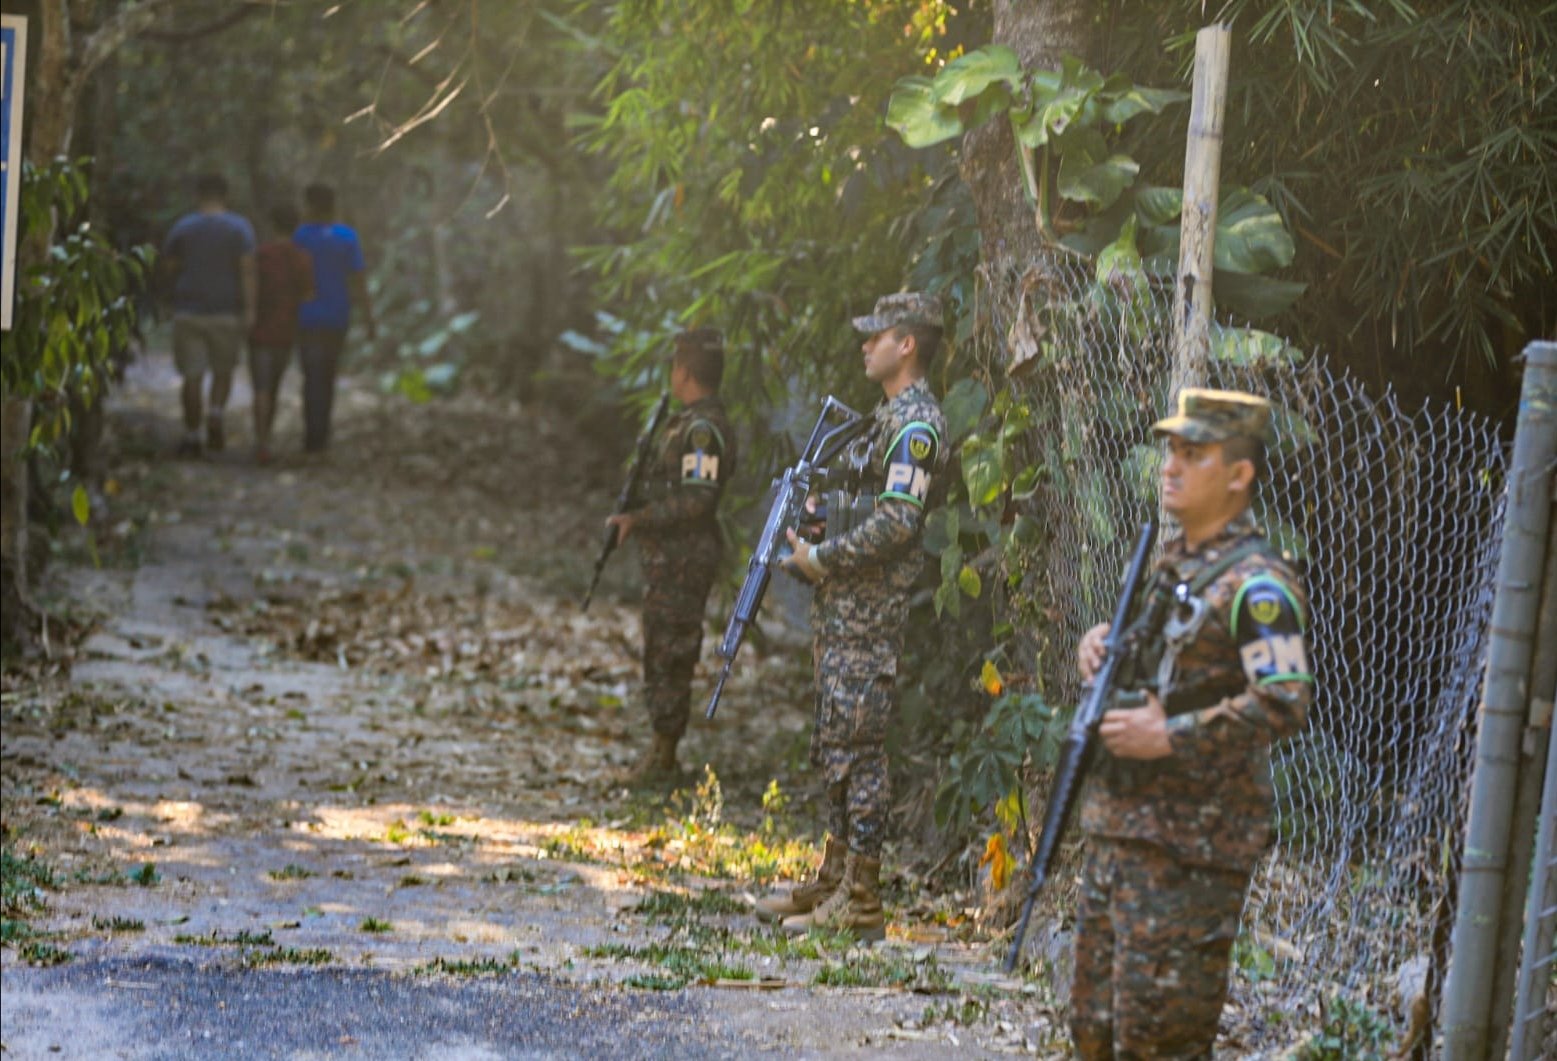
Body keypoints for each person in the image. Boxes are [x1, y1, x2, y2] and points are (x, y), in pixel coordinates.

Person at [1068, 388, 1313, 1058]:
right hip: (1122, 831)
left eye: (1193, 454)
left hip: (1190, 848)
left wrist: (1169, 736)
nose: (1169, 467)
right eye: (1170, 451)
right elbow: (1159, 663)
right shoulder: (1167, 560)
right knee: (1092, 1032)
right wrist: (1099, 642)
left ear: (1238, 475)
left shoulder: (1258, 584)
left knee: (1159, 1043)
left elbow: (1284, 698)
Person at [756, 292, 948, 942]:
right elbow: (863, 502)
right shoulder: (884, 417)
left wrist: (824, 557)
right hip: (845, 607)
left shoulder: (916, 425)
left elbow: (897, 521)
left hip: (869, 612)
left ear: (907, 345)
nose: (864, 345)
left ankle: (861, 896)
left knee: (860, 750)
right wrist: (816, 526)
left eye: (877, 335)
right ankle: (836, 875)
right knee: (836, 740)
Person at [605, 328, 736, 786]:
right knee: (661, 648)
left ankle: (665, 754)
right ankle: (660, 748)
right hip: (671, 559)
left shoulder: (702, 430)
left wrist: (640, 519)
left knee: (672, 651)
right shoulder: (688, 422)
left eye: (674, 367)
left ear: (685, 372)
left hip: (684, 559)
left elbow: (698, 500)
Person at [160, 174, 256, 456]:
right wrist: (250, 310)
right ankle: (215, 413)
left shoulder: (183, 228)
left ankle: (192, 435)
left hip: (188, 311)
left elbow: (168, 269)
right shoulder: (240, 228)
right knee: (223, 370)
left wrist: (169, 300)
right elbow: (247, 271)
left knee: (192, 375)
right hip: (226, 311)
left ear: (198, 195)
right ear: (225, 196)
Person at [293, 183, 375, 454]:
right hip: (338, 317)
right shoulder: (347, 237)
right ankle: (322, 435)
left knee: (311, 376)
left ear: (309, 205)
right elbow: (358, 280)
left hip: (306, 317)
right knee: (327, 375)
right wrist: (369, 318)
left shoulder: (300, 237)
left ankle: (311, 436)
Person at [247, 202, 314, 464]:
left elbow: (249, 286)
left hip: (259, 330)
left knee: (260, 388)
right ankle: (266, 441)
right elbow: (308, 294)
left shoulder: (260, 254)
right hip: (285, 331)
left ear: (272, 224)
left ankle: (261, 441)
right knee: (272, 388)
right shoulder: (302, 257)